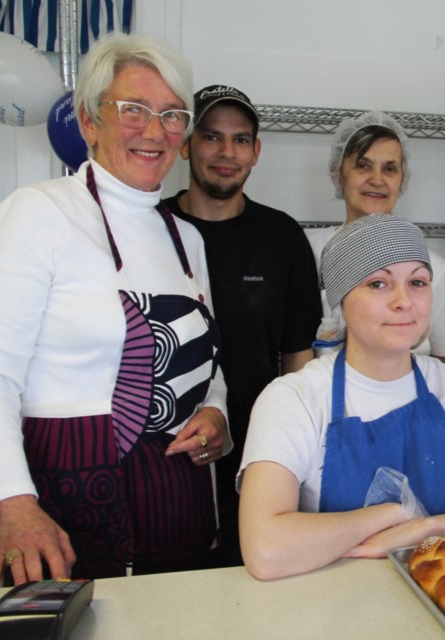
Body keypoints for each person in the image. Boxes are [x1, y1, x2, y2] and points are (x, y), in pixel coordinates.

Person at [0, 32, 230, 586]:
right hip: (71, 495)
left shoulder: (186, 239)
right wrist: (12, 504)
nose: (154, 130)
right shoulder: (38, 214)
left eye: (172, 115)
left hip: (179, 498)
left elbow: (204, 363)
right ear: (88, 121)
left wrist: (216, 412)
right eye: (133, 110)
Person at [238, 214, 445, 580]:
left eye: (418, 282)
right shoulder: (293, 400)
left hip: (441, 600)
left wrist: (427, 530)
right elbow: (265, 550)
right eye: (378, 283)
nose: (404, 301)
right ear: (340, 300)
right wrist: (393, 515)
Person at [162, 84, 322, 567]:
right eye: (211, 137)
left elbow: (298, 356)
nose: (226, 153)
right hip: (166, 451)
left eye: (240, 139)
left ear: (256, 151)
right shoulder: (153, 227)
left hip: (257, 452)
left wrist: (299, 447)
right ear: (186, 145)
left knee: (247, 582)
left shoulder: (282, 236)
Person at [305, 110, 445, 370]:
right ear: (339, 173)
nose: (377, 179)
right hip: (321, 408)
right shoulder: (308, 251)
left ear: (402, 179)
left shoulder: (432, 270)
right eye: (363, 165)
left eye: (390, 169)